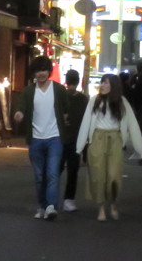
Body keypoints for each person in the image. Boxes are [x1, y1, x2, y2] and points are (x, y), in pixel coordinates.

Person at [75, 73, 142, 221]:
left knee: (114, 176)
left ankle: (113, 203)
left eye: (106, 83)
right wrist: (80, 147)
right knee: (98, 176)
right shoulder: (94, 100)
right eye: (102, 82)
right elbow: (85, 123)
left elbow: (132, 125)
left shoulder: (122, 102)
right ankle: (101, 208)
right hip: (97, 140)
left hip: (115, 140)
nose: (103, 85)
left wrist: (141, 150)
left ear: (114, 86)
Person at [14, 55, 69, 220]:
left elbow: (66, 109)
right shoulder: (29, 91)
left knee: (52, 173)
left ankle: (51, 206)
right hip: (36, 139)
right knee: (39, 176)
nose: (41, 74)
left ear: (49, 71)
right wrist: (19, 114)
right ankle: (42, 205)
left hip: (55, 138)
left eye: (44, 70)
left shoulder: (58, 89)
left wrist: (66, 122)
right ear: (34, 73)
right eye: (38, 71)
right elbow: (21, 107)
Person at [59, 69, 88, 212]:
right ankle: (69, 200)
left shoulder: (60, 96)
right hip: (77, 140)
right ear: (78, 81)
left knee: (55, 170)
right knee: (72, 171)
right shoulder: (84, 99)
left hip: (60, 139)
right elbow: (86, 122)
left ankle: (50, 197)